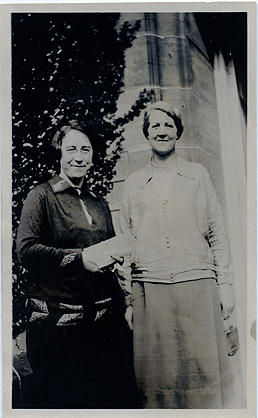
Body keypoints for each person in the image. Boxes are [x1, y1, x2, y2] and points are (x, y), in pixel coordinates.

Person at [119, 101, 236, 409]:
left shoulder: (197, 175)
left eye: (168, 124)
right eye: (155, 125)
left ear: (177, 132)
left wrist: (225, 286)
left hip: (197, 284)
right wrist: (129, 300)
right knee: (158, 381)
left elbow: (217, 234)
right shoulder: (133, 184)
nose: (162, 131)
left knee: (203, 374)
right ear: (146, 133)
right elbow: (125, 245)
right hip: (150, 289)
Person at [16, 120, 136, 409]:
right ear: (59, 154)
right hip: (59, 332)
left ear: (93, 157)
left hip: (105, 330)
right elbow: (26, 250)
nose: (78, 157)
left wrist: (124, 290)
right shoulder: (41, 195)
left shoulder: (99, 203)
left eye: (85, 150)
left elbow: (107, 258)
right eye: (71, 149)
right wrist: (80, 258)